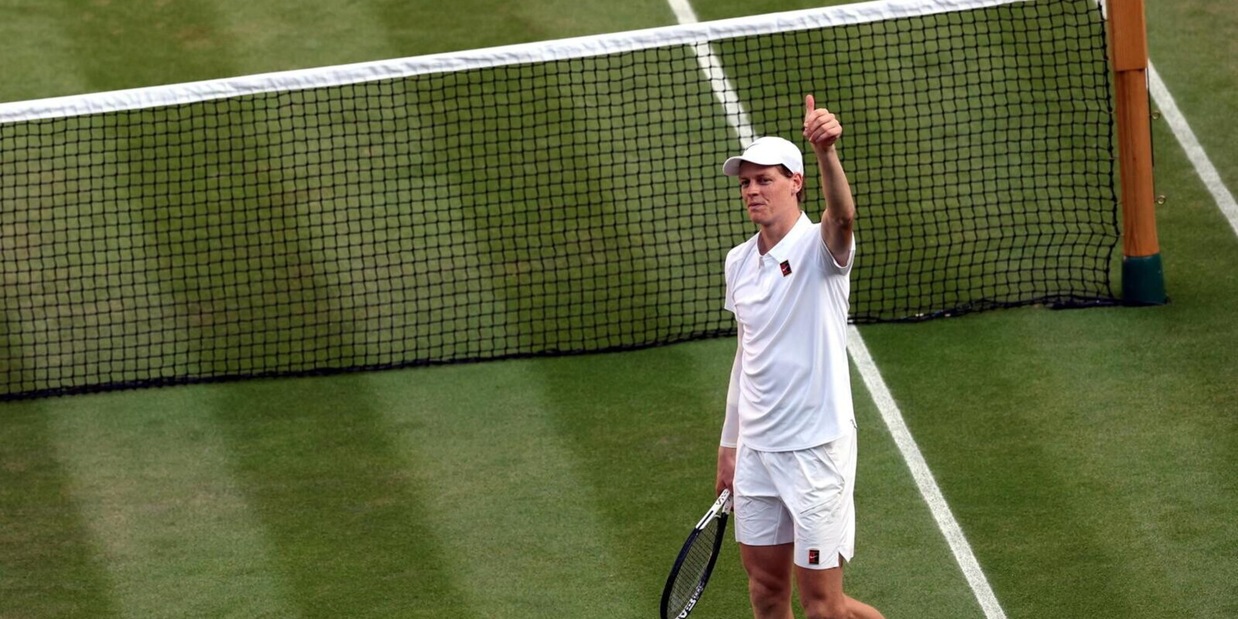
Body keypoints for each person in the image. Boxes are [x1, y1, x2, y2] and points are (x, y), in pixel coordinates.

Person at [715, 95, 883, 619]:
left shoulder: (820, 249)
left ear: (796, 183)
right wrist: (729, 445)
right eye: (745, 182)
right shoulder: (738, 262)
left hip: (816, 451)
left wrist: (826, 151)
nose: (752, 190)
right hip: (757, 454)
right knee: (766, 594)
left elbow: (844, 216)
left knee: (823, 607)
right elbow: (746, 355)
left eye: (764, 179)